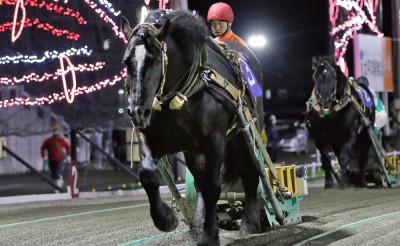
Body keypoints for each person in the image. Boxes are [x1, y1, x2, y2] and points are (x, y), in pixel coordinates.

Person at [40, 123, 71, 191]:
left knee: (57, 173)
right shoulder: (48, 140)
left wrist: (68, 155)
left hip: (60, 159)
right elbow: (43, 148)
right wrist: (44, 156)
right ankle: (58, 183)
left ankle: (57, 188)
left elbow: (68, 147)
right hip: (51, 159)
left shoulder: (62, 140)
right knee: (53, 173)